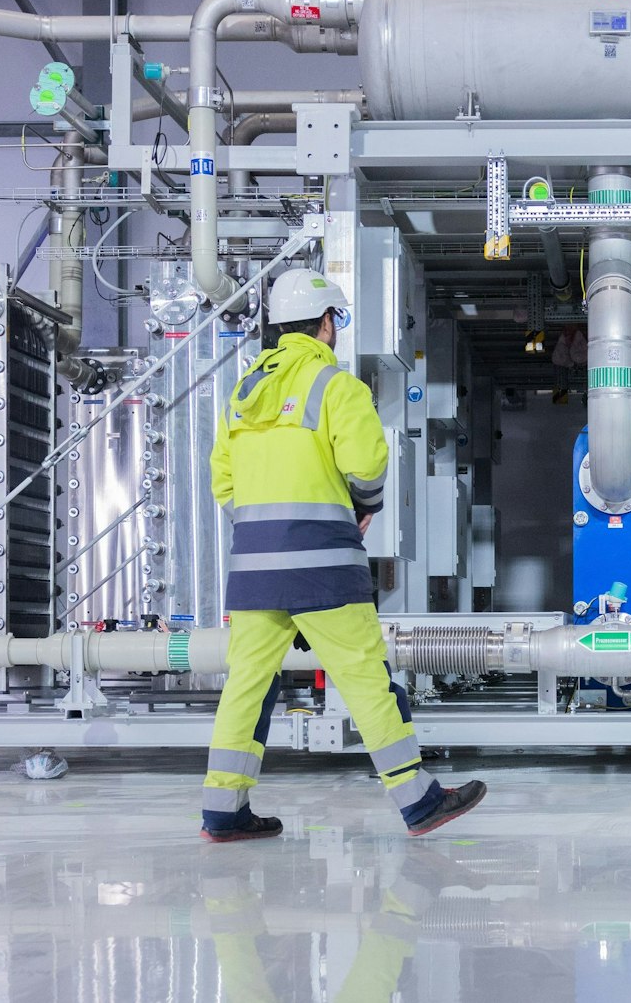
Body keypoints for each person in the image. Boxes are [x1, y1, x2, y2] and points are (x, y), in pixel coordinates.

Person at [199, 267, 486, 842]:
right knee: (365, 679)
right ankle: (419, 801)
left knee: (246, 687)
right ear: (327, 323)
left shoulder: (242, 395)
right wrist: (363, 505)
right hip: (323, 566)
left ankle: (223, 812)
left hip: (253, 571)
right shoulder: (334, 386)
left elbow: (223, 487)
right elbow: (367, 464)